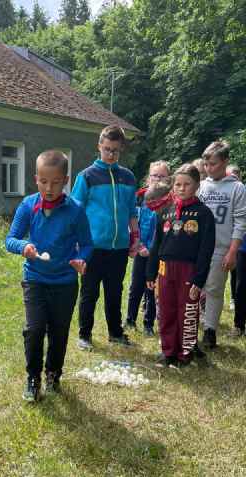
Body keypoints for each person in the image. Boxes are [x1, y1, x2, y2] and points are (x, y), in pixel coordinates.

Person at [5, 149, 94, 402]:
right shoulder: (28, 205)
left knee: (59, 331)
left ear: (65, 181)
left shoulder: (75, 210)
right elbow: (10, 239)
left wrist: (82, 259)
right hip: (35, 278)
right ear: (36, 179)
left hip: (65, 282)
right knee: (34, 330)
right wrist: (24, 247)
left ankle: (53, 375)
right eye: (43, 181)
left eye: (55, 182)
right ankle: (33, 378)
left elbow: (87, 244)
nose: (49, 188)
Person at [71, 125, 139, 350]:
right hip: (92, 247)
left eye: (115, 150)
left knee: (114, 292)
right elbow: (75, 211)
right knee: (89, 292)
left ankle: (115, 333)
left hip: (119, 247)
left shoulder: (128, 177)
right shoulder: (86, 176)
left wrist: (135, 237)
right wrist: (76, 243)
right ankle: (84, 335)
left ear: (121, 150)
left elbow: (132, 212)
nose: (111, 154)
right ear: (99, 146)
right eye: (107, 149)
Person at [147, 165, 215, 367]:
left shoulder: (203, 214)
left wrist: (199, 279)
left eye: (187, 184)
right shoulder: (165, 211)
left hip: (189, 269)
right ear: (173, 185)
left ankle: (185, 353)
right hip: (165, 268)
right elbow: (156, 244)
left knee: (187, 311)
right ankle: (168, 351)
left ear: (197, 185)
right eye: (178, 184)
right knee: (166, 309)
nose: (182, 188)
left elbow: (206, 249)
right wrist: (150, 272)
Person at [198, 141, 246, 348]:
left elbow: (241, 221)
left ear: (225, 162)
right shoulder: (201, 186)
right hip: (198, 248)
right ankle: (190, 326)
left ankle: (210, 330)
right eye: (206, 164)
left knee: (214, 289)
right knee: (194, 287)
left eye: (213, 164)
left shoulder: (237, 188)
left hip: (221, 248)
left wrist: (232, 251)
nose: (209, 168)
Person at [125, 161, 171, 336]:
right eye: (154, 175)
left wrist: (154, 250)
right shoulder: (140, 197)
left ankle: (148, 324)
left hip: (158, 253)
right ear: (148, 177)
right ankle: (130, 319)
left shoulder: (171, 201)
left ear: (168, 179)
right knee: (136, 286)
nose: (157, 179)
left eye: (162, 176)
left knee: (152, 288)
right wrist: (139, 245)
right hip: (141, 249)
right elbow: (133, 223)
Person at [226, 164, 243, 310]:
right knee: (235, 273)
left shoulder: (242, 191)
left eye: (235, 177)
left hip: (241, 240)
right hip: (232, 242)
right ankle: (233, 298)